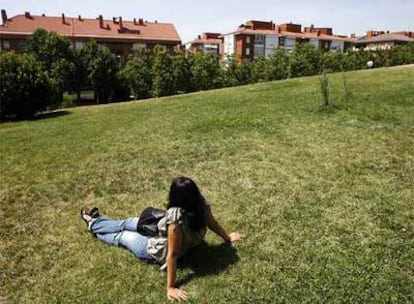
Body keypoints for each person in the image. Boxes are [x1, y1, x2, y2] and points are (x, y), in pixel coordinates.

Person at [80, 176, 244, 302]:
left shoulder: (176, 218)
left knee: (122, 236)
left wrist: (171, 287)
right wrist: (227, 237)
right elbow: (212, 223)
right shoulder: (200, 204)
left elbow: (172, 254)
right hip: (159, 229)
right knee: (128, 222)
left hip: (154, 248)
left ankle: (93, 224)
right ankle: (99, 221)